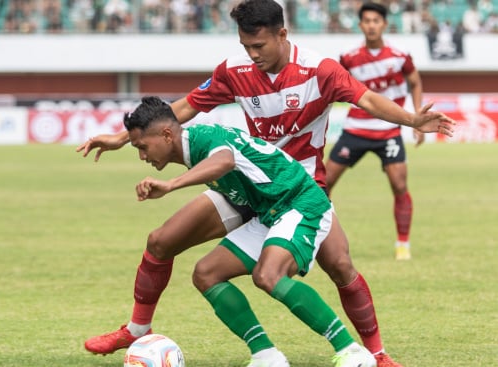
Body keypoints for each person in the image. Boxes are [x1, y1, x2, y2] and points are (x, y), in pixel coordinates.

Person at [77, 1, 455, 366]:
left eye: (259, 45)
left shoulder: (319, 70)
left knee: (339, 265)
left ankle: (375, 354)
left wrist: (411, 120)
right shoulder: (234, 71)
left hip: (297, 185)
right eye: (245, 45)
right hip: (245, 181)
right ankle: (137, 329)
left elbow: (367, 99)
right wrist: (122, 137)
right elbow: (179, 112)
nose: (252, 54)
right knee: (161, 241)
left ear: (282, 34)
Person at [124, 95, 377, 367]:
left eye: (142, 147)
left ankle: (351, 350)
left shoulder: (205, 139)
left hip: (299, 202)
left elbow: (224, 162)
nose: (142, 156)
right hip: (269, 212)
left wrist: (172, 185)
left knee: (268, 275)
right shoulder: (191, 144)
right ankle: (266, 355)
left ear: (165, 134)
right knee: (206, 273)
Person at [325, 2, 423, 261]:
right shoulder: (348, 57)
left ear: (383, 24)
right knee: (323, 183)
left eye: (375, 21)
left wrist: (417, 117)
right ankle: (319, 238)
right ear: (360, 25)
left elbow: (415, 82)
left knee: (399, 185)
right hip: (355, 129)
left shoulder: (400, 55)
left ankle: (403, 244)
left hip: (389, 130)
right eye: (366, 21)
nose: (371, 25)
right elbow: (332, 88)